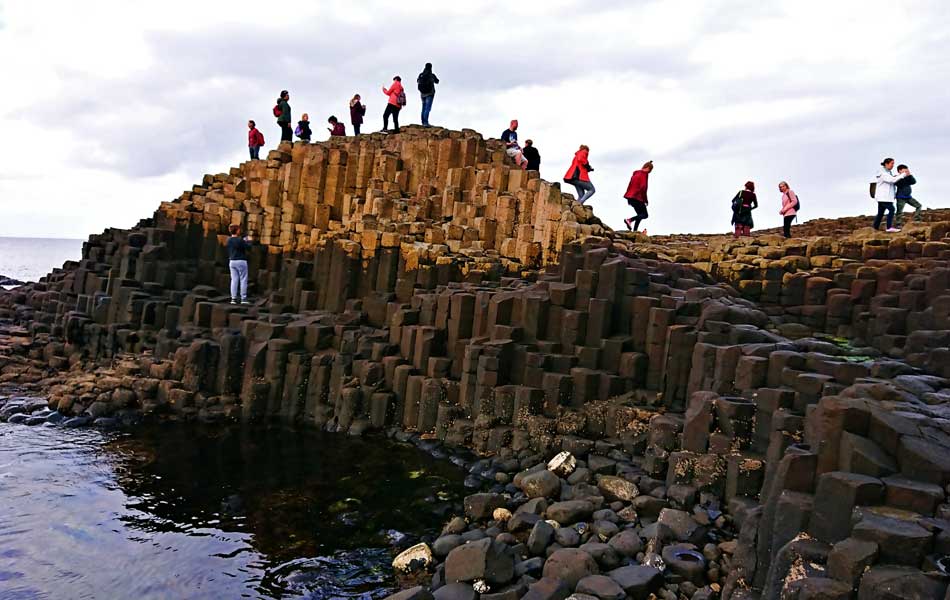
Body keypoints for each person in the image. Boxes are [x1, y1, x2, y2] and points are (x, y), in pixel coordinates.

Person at [872, 158, 908, 232]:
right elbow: (891, 180)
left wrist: (898, 176)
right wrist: (903, 174)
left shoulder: (888, 172)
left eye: (893, 164)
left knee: (880, 213)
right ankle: (889, 227)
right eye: (892, 163)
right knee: (892, 209)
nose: (893, 165)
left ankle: (874, 228)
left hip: (885, 197)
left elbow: (892, 179)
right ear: (886, 164)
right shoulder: (882, 173)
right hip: (884, 197)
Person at [227, 225, 254, 305]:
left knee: (234, 280)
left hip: (232, 261)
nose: (240, 231)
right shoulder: (240, 240)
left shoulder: (229, 240)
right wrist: (249, 241)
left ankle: (233, 299)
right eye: (239, 229)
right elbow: (248, 248)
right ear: (237, 231)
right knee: (243, 280)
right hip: (241, 261)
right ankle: (243, 299)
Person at [623, 161, 653, 231]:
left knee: (639, 215)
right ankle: (629, 220)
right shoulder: (644, 174)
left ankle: (635, 230)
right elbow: (643, 187)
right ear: (648, 168)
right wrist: (645, 200)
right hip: (637, 197)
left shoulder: (636, 173)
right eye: (650, 170)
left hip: (630, 196)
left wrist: (628, 196)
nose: (649, 172)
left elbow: (630, 185)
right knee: (645, 215)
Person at [895, 164, 922, 228]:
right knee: (899, 211)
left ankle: (917, 219)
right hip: (900, 197)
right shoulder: (896, 178)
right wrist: (902, 176)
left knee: (919, 206)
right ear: (899, 171)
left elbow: (913, 182)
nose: (905, 172)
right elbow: (899, 184)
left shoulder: (908, 177)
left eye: (906, 171)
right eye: (904, 171)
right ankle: (898, 224)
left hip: (908, 197)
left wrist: (909, 175)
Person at [416, 63, 440, 127]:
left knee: (423, 108)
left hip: (422, 94)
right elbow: (437, 81)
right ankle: (426, 123)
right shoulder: (431, 75)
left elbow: (417, 81)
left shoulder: (421, 75)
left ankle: (423, 122)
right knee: (427, 108)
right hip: (430, 94)